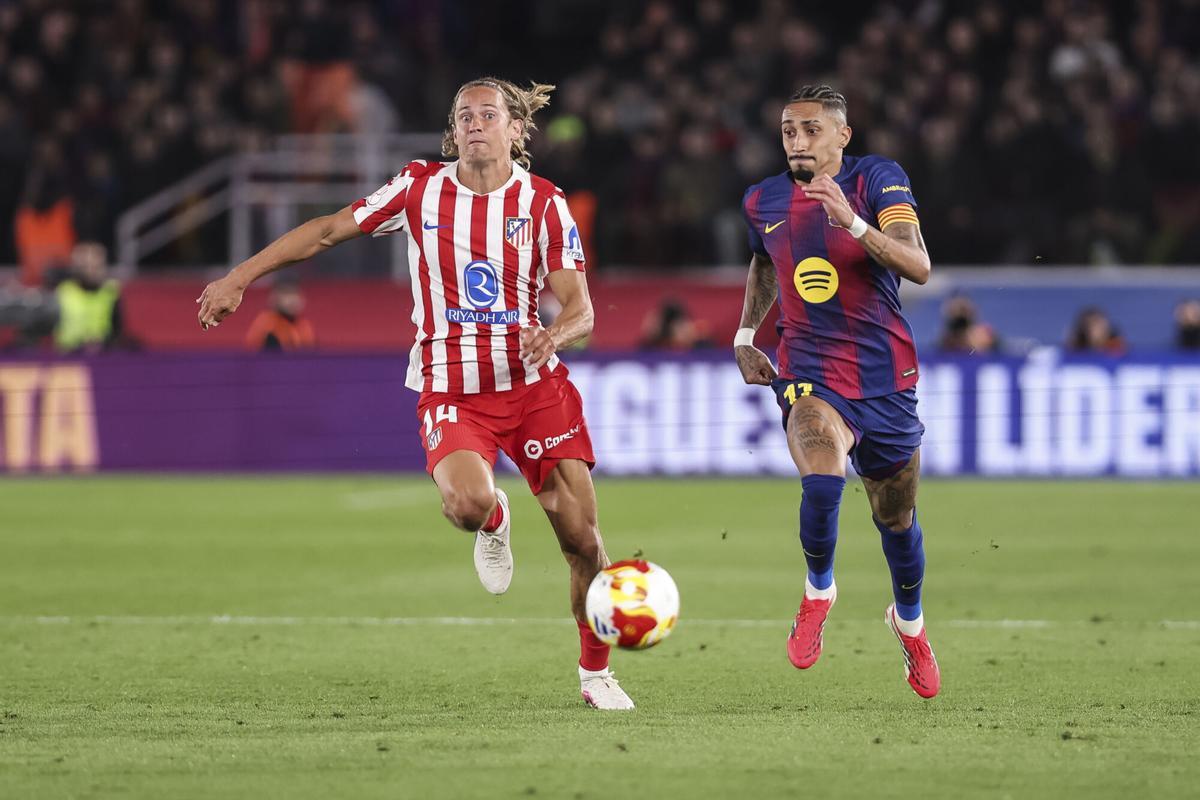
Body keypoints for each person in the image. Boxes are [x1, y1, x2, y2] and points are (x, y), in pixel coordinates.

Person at [196, 77, 634, 710]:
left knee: (583, 543)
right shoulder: (420, 188)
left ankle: (596, 674)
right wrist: (239, 277)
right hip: (452, 391)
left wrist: (555, 334)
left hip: (534, 388)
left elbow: (582, 308)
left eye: (489, 115)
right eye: (463, 116)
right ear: (452, 131)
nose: (475, 124)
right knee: (464, 506)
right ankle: (493, 515)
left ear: (517, 130)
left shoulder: (544, 205)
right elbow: (325, 231)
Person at [734, 85, 940, 698]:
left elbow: (918, 264)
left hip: (885, 378)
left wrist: (850, 221)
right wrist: (747, 332)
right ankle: (818, 591)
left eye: (811, 130)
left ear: (842, 136)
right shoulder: (761, 199)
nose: (797, 140)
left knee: (895, 519)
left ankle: (910, 626)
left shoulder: (877, 179)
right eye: (788, 130)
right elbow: (766, 261)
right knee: (821, 473)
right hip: (810, 369)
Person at [54, 241, 127, 353]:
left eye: (96, 266)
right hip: (69, 356)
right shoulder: (64, 291)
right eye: (86, 266)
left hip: (102, 355)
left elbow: (117, 329)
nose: (91, 271)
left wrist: (103, 342)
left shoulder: (110, 291)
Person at [245, 283, 316, 351]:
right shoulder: (266, 322)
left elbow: (308, 350)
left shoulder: (303, 324)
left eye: (295, 295)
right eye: (286, 295)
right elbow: (253, 350)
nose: (292, 300)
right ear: (275, 298)